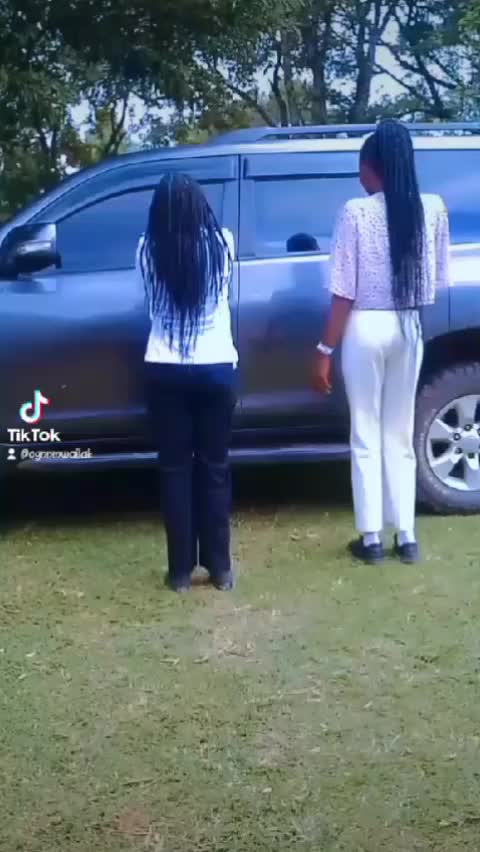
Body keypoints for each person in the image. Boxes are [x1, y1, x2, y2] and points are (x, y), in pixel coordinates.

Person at [314, 120, 451, 565]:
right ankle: (406, 536)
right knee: (399, 433)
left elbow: (343, 292)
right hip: (409, 326)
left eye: (362, 168)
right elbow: (437, 281)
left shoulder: (356, 212)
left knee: (365, 432)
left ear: (373, 167)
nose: (360, 177)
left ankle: (371, 538)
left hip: (365, 327)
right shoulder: (433, 208)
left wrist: (324, 350)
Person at [137, 173, 238, 592]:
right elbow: (224, 296)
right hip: (216, 366)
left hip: (165, 367)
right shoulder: (224, 244)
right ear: (200, 205)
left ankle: (180, 572)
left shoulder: (146, 249)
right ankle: (220, 569)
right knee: (214, 468)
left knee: (175, 470)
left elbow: (151, 305)